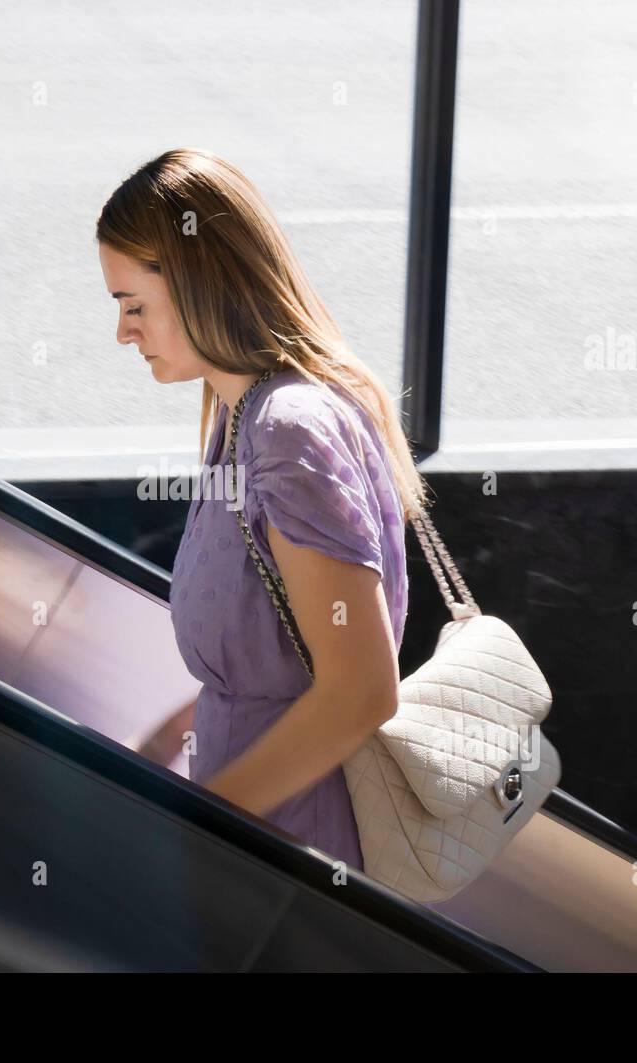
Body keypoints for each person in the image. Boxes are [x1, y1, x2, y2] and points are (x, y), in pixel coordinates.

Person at [97, 148, 425, 871]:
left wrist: (204, 819)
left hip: (288, 849)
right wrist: (168, 742)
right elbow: (277, 666)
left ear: (196, 285)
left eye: (133, 305)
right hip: (262, 833)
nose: (123, 332)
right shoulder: (244, 415)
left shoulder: (287, 428)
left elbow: (361, 690)